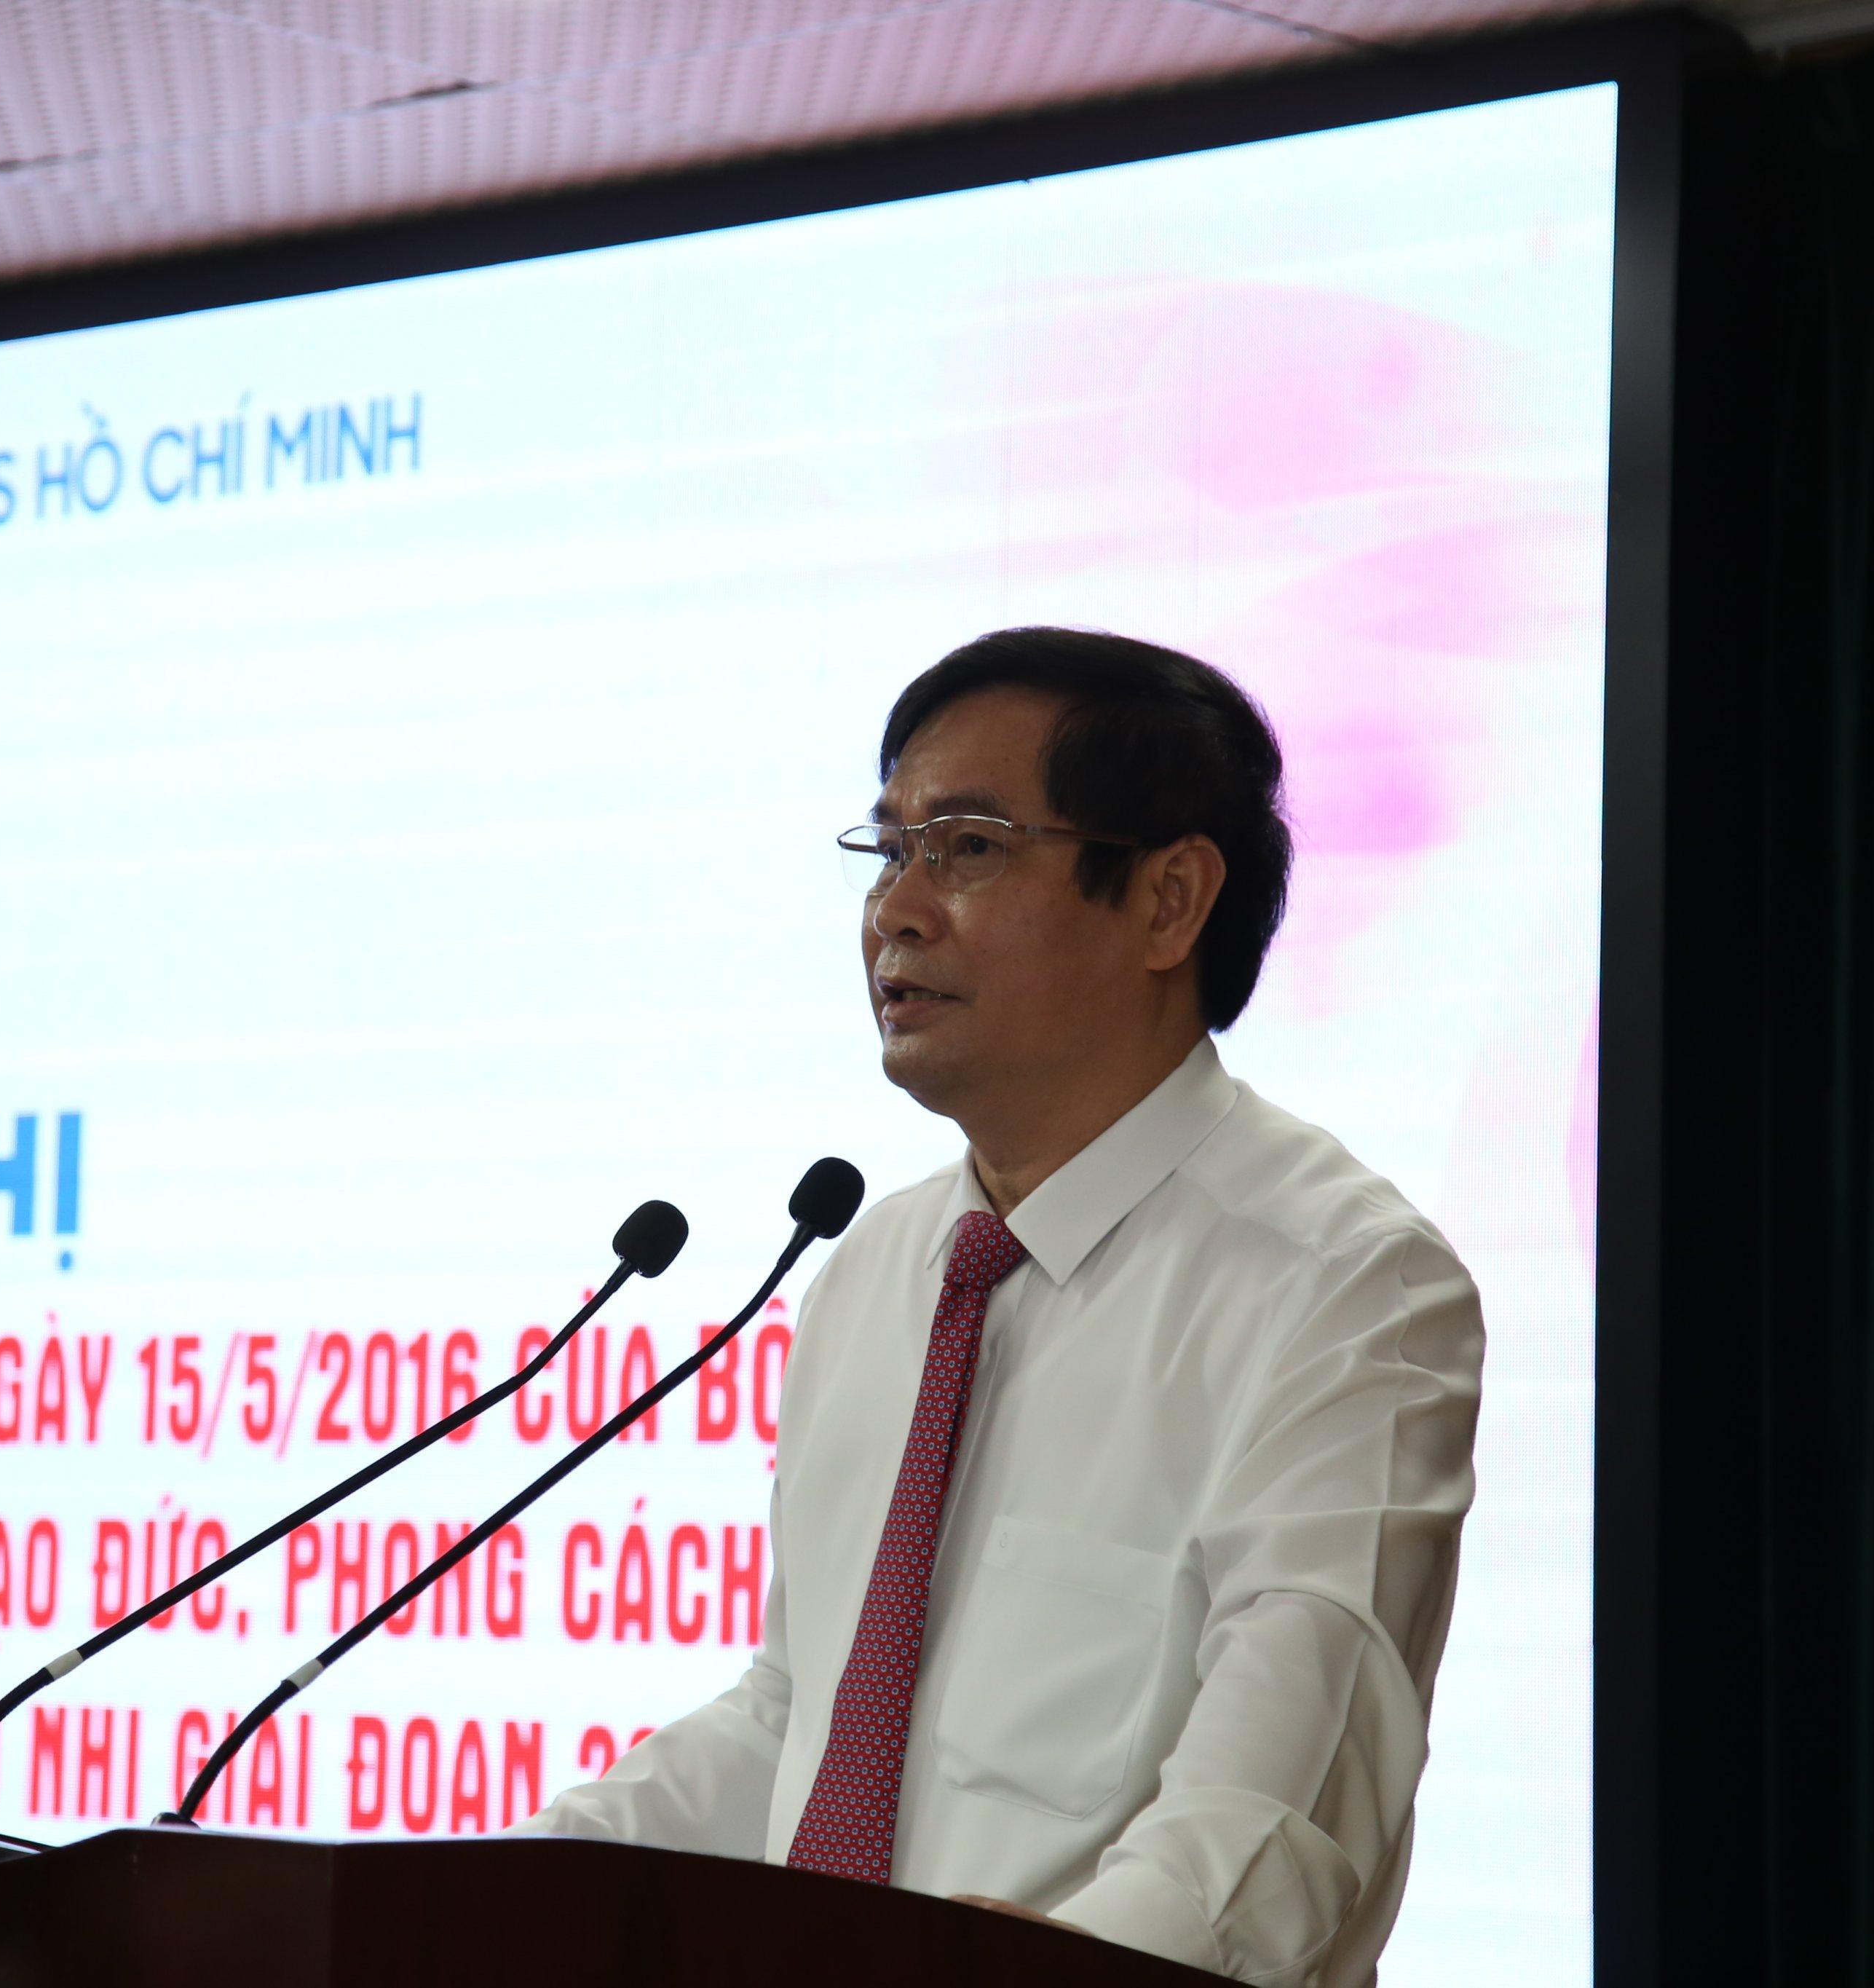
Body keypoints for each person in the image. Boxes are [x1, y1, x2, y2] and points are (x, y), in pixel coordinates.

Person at [521, 626, 1482, 1987]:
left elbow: (1282, 1810)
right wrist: (507, 1889)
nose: (896, 911)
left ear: (1169, 901)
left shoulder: (1344, 1287)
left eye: (968, 848)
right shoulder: (876, 1268)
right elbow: (797, 1721)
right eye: (888, 850)